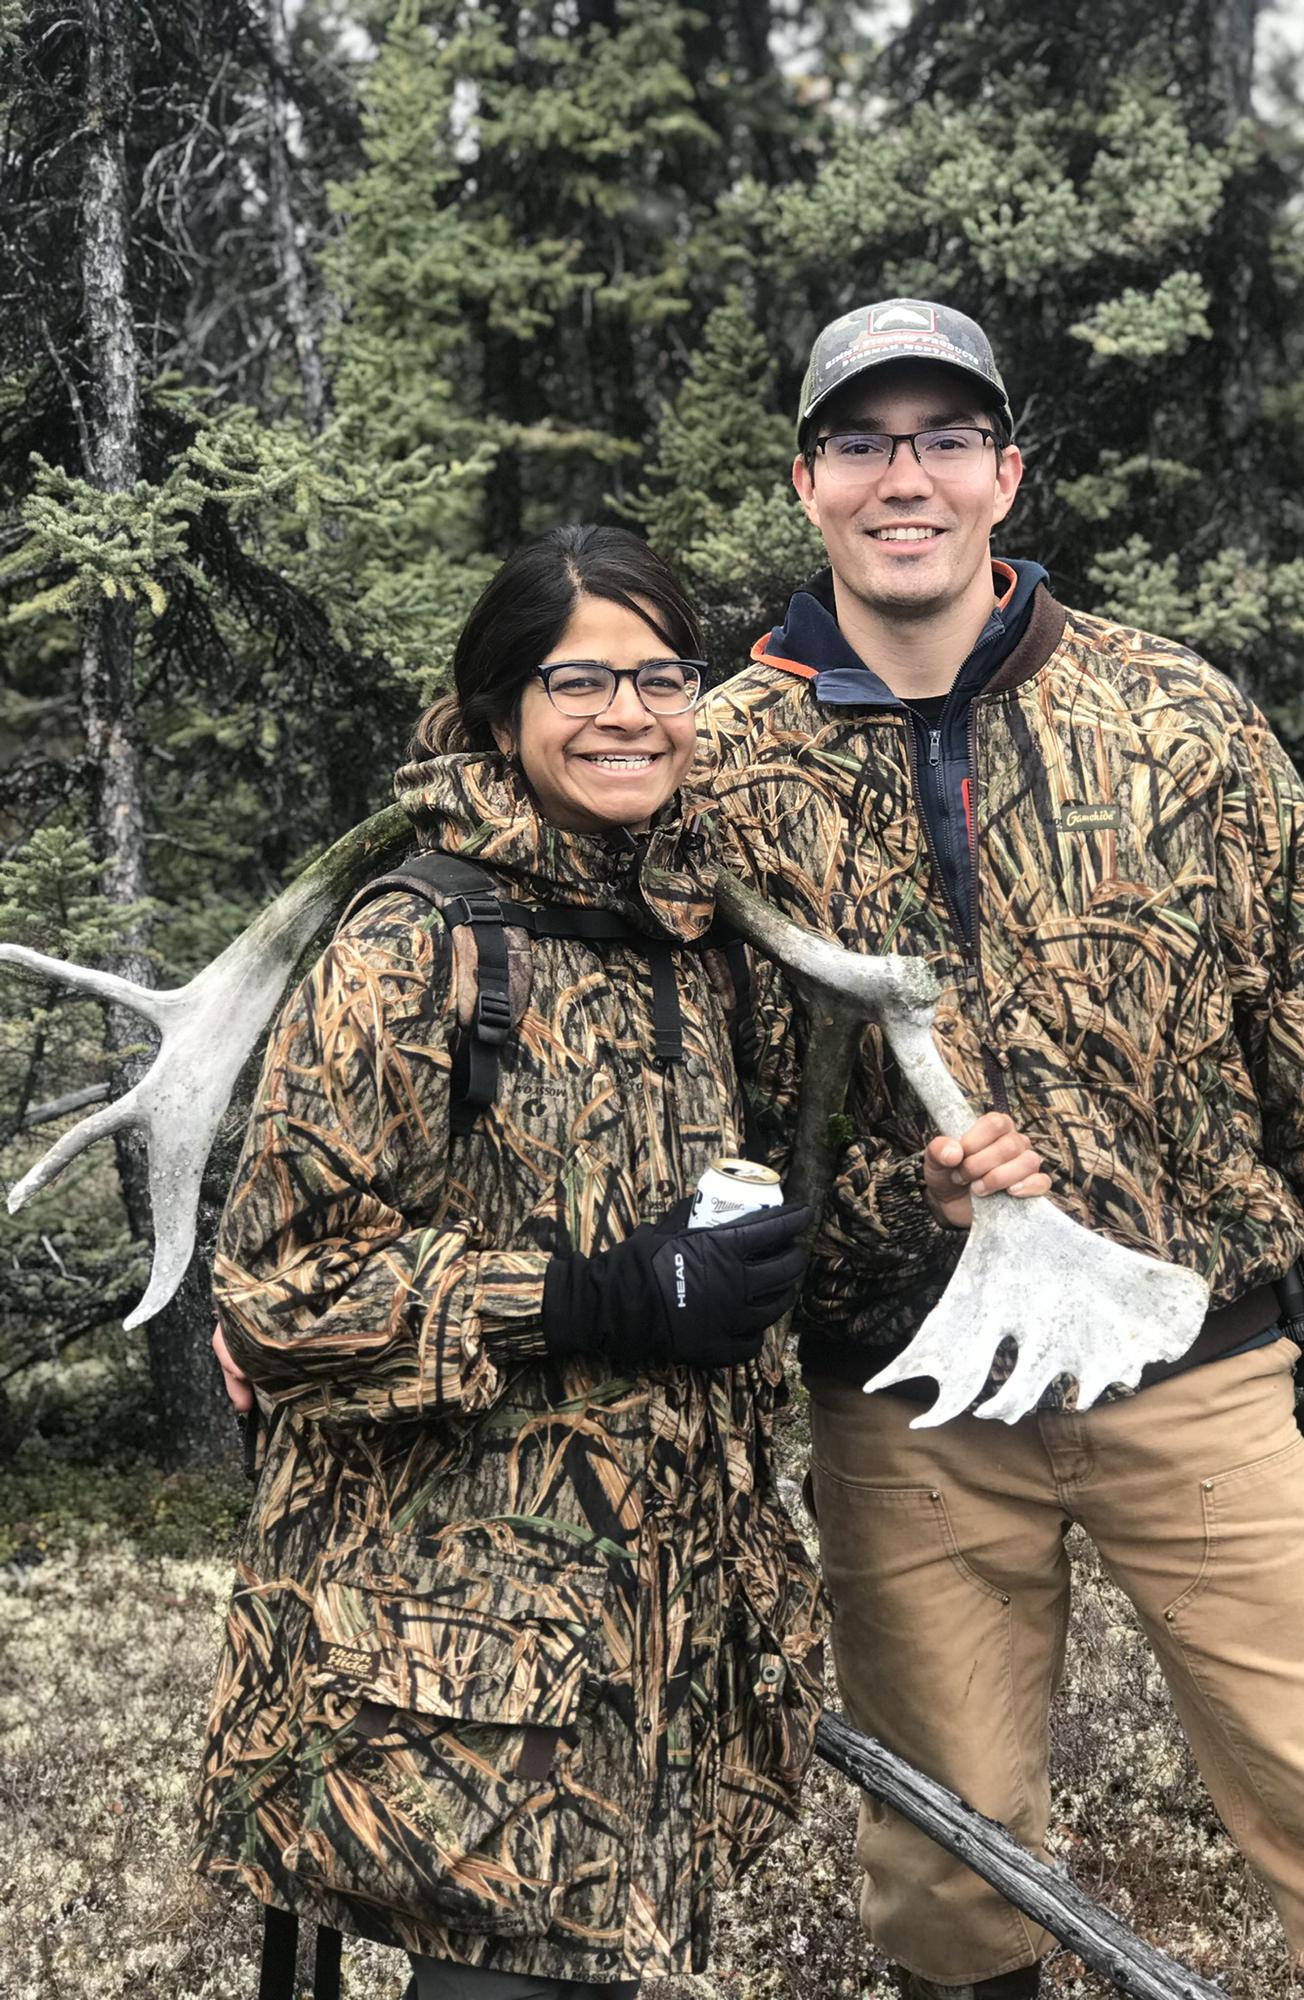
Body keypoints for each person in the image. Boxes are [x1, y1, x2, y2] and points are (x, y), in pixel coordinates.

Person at [699, 299, 1304, 2000]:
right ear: (806, 482)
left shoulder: (1173, 713)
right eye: (861, 442)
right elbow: (657, 1080)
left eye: (940, 441)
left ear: (1003, 474)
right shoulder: (710, 765)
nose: (900, 477)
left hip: (1194, 1365)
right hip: (905, 1394)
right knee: (946, 1859)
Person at [194, 524, 837, 2000]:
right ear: (500, 710)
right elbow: (283, 1286)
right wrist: (590, 1296)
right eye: (580, 680)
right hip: (464, 1642)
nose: (629, 713)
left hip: (652, 1608)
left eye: (663, 676)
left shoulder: (684, 932)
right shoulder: (417, 940)